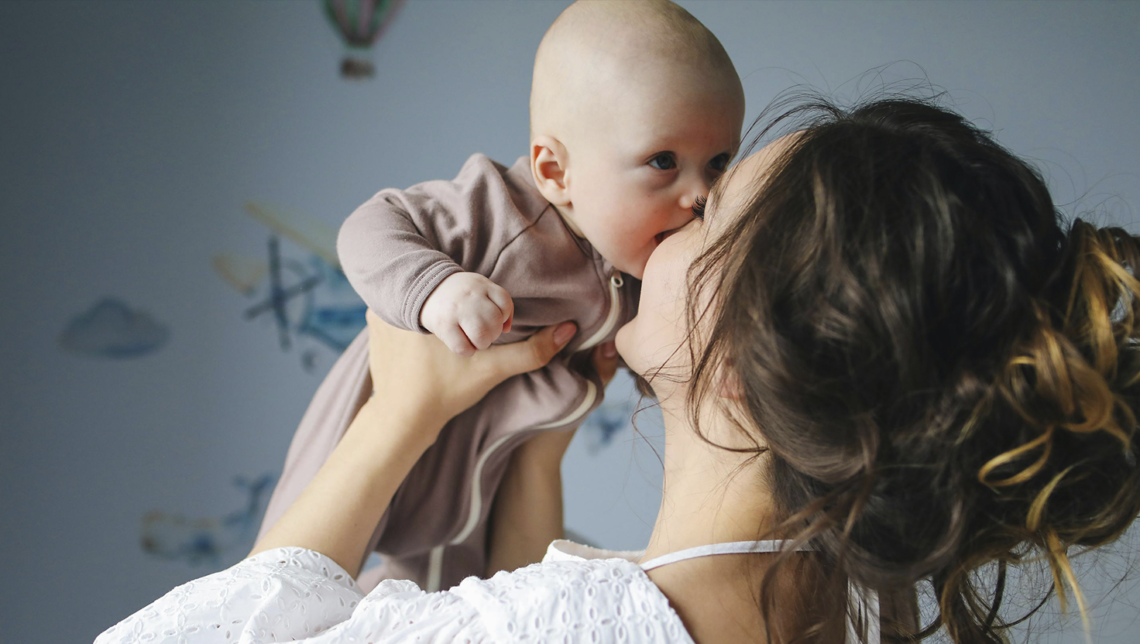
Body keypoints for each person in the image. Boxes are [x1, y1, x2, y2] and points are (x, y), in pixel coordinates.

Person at [96, 95, 1140, 643]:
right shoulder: (859, 609)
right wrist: (538, 447)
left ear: (741, 367)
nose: (662, 221)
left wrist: (396, 416)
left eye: (709, 212)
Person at [256, 0, 746, 593]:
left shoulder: (642, 260)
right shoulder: (501, 213)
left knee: (445, 601)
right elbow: (370, 225)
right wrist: (435, 287)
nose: (699, 194)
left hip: (484, 470)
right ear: (555, 171)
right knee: (289, 581)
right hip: (383, 422)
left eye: (719, 164)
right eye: (663, 161)